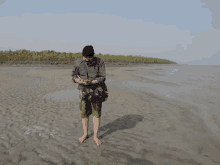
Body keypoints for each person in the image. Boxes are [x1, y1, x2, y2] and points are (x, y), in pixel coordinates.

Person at [72, 45, 106, 146]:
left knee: (96, 114)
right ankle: (85, 134)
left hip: (97, 91)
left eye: (87, 58)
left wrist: (94, 81)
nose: (85, 59)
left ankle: (95, 136)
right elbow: (73, 75)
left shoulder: (100, 62)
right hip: (83, 91)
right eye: (84, 57)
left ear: (92, 56)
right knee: (84, 114)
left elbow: (103, 77)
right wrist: (77, 80)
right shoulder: (78, 62)